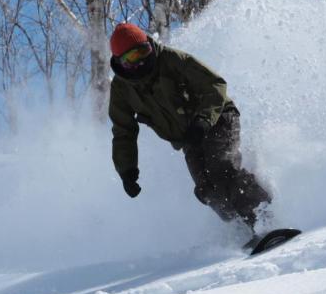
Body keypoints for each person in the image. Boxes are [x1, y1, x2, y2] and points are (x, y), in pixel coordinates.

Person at [107, 22, 272, 232]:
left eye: (142, 52)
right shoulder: (122, 90)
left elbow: (215, 84)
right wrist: (127, 171)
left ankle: (263, 216)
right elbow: (123, 132)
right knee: (206, 189)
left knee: (221, 167)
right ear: (120, 63)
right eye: (130, 59)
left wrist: (204, 120)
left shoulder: (171, 59)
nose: (139, 62)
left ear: (149, 46)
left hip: (217, 118)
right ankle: (242, 229)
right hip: (188, 139)